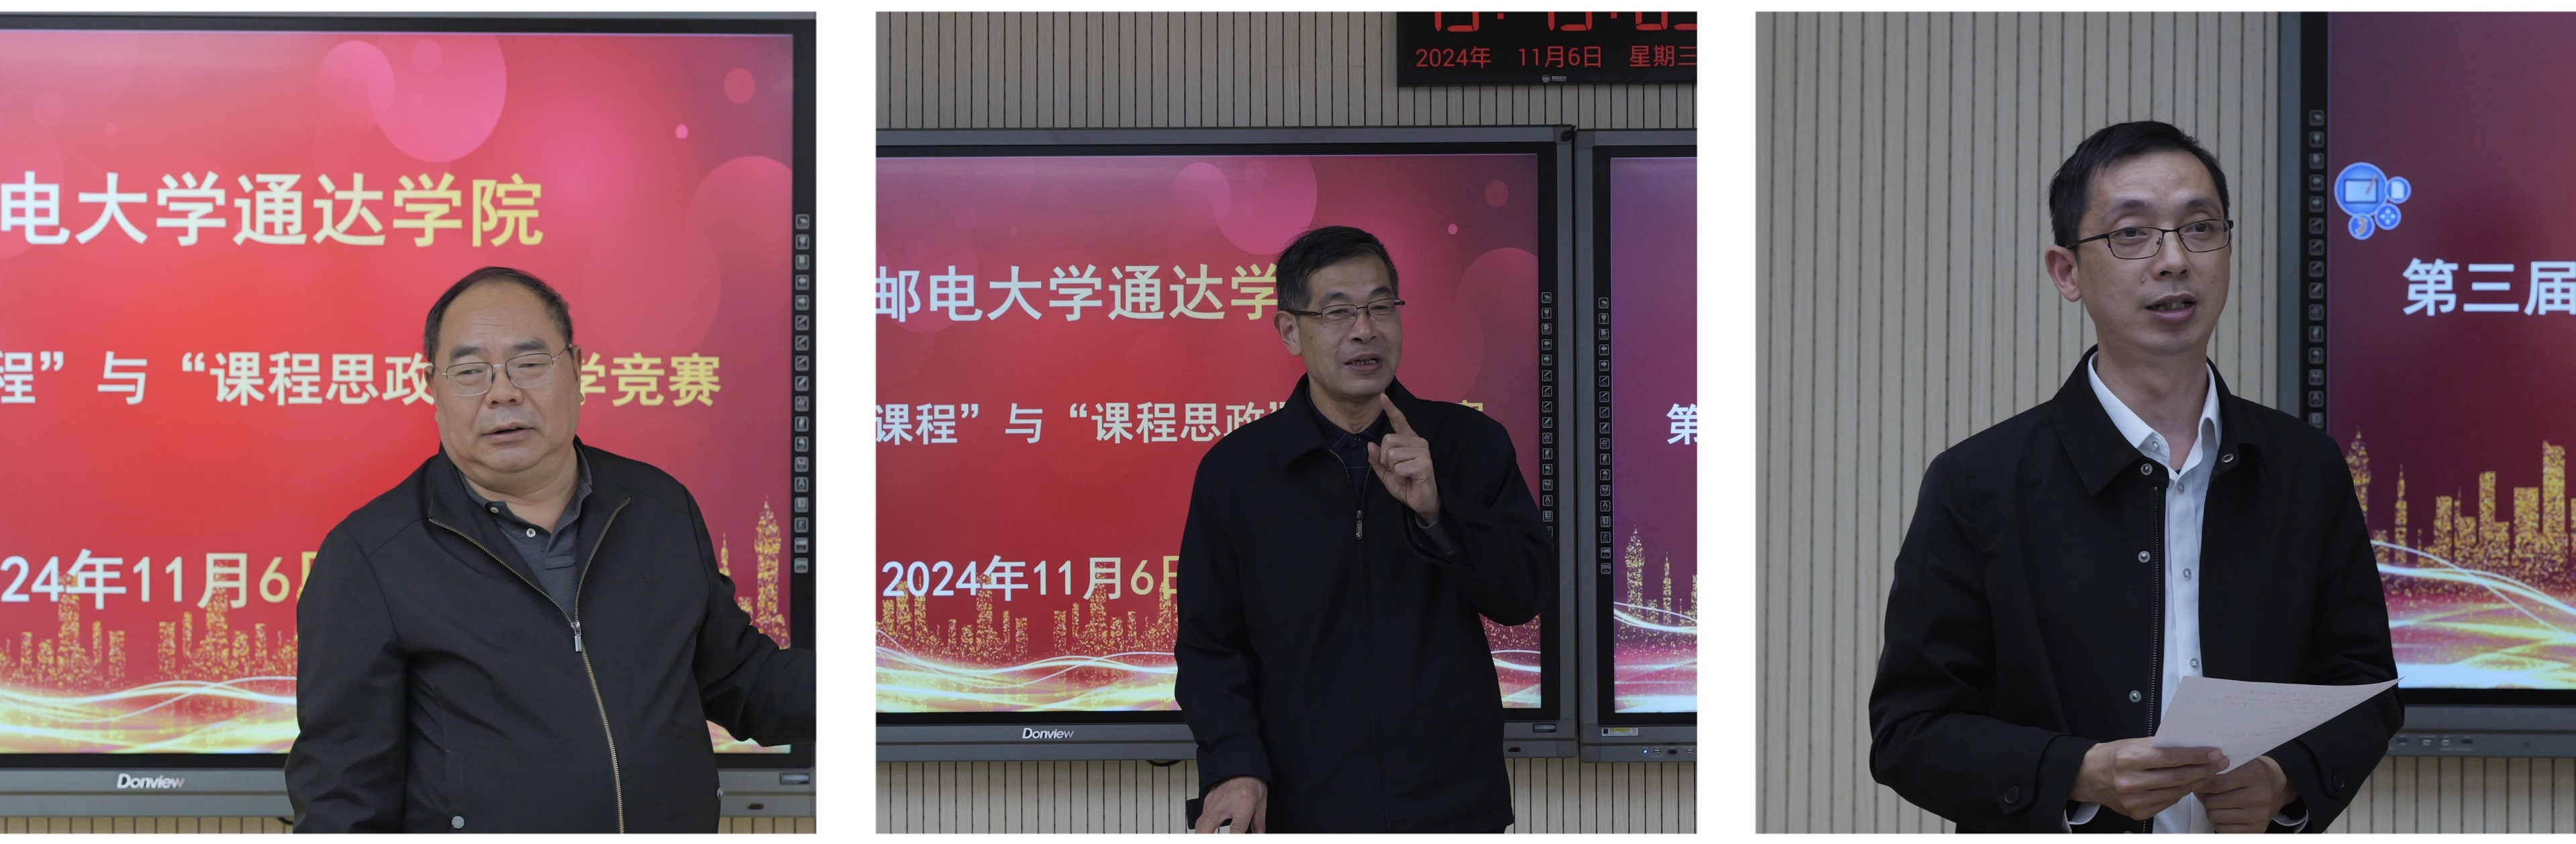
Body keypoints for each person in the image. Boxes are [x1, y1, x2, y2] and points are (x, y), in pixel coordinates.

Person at [1867, 122, 2400, 833]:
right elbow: (1909, 731)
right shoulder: (1979, 483)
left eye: (2199, 227)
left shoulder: (2304, 468)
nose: (2173, 260)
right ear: (2067, 272)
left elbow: (2367, 686)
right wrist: (2077, 772)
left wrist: (2287, 778)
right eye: (2132, 234)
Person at [286, 267, 814, 833]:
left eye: (530, 363)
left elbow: (741, 681)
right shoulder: (371, 558)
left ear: (577, 369)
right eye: (470, 371)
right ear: (432, 386)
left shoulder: (657, 509)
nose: (503, 392)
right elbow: (342, 799)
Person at [1173, 226, 1554, 833]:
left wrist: (1438, 512)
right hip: (1301, 807)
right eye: (1338, 312)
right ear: (1290, 330)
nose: (1364, 330)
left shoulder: (1468, 444)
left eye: (1380, 307)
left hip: (1453, 806)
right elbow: (1209, 647)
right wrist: (1235, 766)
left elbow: (1523, 594)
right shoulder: (1237, 472)